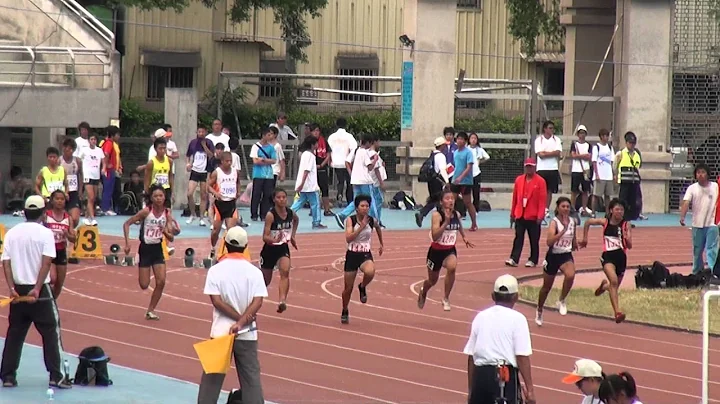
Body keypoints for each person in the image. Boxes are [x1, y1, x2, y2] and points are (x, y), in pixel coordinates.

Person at [1, 195, 72, 389]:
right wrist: (38, 288)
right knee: (51, 332)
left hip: (18, 289)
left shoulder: (12, 233)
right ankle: (56, 376)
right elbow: (46, 262)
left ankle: (8, 376)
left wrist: (12, 289)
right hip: (39, 291)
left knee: (14, 334)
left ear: (24, 212)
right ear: (43, 213)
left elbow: (5, 263)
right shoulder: (45, 233)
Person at [198, 227, 267, 404]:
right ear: (245, 246)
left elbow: (217, 302)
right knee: (251, 380)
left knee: (211, 379)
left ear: (226, 244)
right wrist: (243, 321)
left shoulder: (215, 271)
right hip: (247, 333)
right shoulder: (255, 272)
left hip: (221, 333)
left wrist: (237, 320)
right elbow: (257, 302)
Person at [463, 274, 535, 404]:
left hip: (481, 376)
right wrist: (530, 390)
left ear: (493, 296)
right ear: (516, 297)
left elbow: (471, 357)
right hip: (504, 376)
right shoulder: (518, 319)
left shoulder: (480, 317)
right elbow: (522, 356)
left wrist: (471, 390)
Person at [122, 185, 178, 321]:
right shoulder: (146, 212)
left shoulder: (167, 213)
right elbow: (127, 224)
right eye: (155, 196)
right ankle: (139, 262)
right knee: (144, 285)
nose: (159, 199)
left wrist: (165, 231)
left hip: (158, 249)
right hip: (145, 249)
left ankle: (151, 310)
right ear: (151, 199)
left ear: (165, 197)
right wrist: (127, 243)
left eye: (161, 196)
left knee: (161, 281)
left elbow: (171, 238)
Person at [418, 189, 474, 312]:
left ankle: (446, 298)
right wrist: (446, 222)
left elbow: (459, 225)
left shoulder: (457, 214)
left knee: (452, 267)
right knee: (432, 281)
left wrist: (464, 237)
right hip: (436, 252)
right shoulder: (437, 216)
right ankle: (423, 291)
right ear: (441, 202)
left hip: (449, 250)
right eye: (447, 199)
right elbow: (435, 236)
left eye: (452, 199)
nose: (450, 201)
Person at [579, 198, 631, 324]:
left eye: (622, 210)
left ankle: (604, 286)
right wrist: (585, 239)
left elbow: (629, 245)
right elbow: (587, 222)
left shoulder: (626, 224)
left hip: (621, 258)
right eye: (617, 209)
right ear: (611, 210)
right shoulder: (605, 222)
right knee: (613, 281)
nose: (619, 212)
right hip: (608, 256)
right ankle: (617, 312)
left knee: (614, 286)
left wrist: (626, 237)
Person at [341, 194, 384, 324]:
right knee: (348, 288)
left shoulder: (371, 220)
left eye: (367, 206)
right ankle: (345, 309)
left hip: (365, 253)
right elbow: (348, 238)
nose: (365, 208)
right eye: (362, 206)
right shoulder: (351, 220)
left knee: (370, 272)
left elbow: (377, 227)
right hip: (352, 254)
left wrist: (382, 243)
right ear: (357, 208)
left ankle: (362, 286)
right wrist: (361, 227)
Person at [535, 196, 577, 326]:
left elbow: (573, 238)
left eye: (567, 207)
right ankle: (540, 309)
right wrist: (562, 231)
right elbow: (549, 242)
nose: (565, 209)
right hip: (553, 255)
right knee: (546, 287)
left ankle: (561, 299)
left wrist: (576, 244)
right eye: (563, 206)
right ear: (558, 208)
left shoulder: (573, 222)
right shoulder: (554, 222)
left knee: (570, 275)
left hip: (566, 255)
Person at [260, 188, 298, 313]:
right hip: (269, 250)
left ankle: (282, 301)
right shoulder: (271, 215)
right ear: (274, 199)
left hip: (282, 248)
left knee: (285, 271)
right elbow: (264, 237)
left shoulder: (291, 213)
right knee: (265, 281)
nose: (282, 200)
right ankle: (251, 299)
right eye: (279, 197)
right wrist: (273, 240)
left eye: (284, 197)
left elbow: (296, 220)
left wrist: (292, 236)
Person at [506, 158, 547, 268]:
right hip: (520, 214)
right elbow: (515, 198)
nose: (529, 168)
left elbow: (542, 200)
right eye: (527, 166)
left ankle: (533, 259)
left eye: (531, 166)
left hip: (533, 216)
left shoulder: (540, 181)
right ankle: (514, 258)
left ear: (535, 167)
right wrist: (512, 213)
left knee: (534, 239)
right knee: (518, 237)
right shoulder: (519, 180)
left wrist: (540, 216)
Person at [333, 134, 379, 228]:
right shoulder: (364, 152)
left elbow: (347, 162)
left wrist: (352, 174)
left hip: (356, 180)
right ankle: (375, 221)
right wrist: (375, 160)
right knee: (370, 201)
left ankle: (342, 215)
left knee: (356, 201)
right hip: (365, 181)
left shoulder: (356, 150)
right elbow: (370, 167)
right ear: (367, 143)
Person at [679, 163, 718, 274]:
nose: (700, 175)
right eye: (698, 172)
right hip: (697, 224)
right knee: (697, 250)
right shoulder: (692, 188)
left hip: (712, 224)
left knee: (711, 250)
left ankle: (713, 272)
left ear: (708, 174)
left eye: (703, 172)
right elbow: (686, 202)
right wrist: (682, 216)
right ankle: (697, 272)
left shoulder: (715, 186)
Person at [207, 152, 241, 259]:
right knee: (215, 231)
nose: (229, 163)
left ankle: (227, 252)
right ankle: (213, 248)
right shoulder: (217, 173)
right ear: (222, 161)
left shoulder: (235, 172)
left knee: (230, 230)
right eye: (227, 161)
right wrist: (215, 193)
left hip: (231, 203)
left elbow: (238, 182)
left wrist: (238, 192)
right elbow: (208, 185)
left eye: (231, 161)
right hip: (220, 205)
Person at [289, 136, 327, 229]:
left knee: (299, 202)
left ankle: (287, 215)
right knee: (315, 204)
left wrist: (301, 184)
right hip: (310, 185)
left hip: (304, 185)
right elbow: (307, 170)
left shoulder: (304, 154)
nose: (318, 145)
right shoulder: (310, 156)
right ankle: (316, 222)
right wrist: (302, 183)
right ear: (312, 145)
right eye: (316, 143)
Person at [45, 190, 77, 299]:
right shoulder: (46, 215)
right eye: (57, 199)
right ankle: (45, 298)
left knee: (59, 283)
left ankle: (52, 302)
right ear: (52, 201)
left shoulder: (68, 218)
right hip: (48, 251)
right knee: (52, 278)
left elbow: (74, 239)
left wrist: (67, 234)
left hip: (61, 251)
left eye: (62, 199)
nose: (59, 201)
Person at [415, 137, 451, 227]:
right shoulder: (441, 156)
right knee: (438, 200)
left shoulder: (432, 155)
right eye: (445, 145)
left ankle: (424, 215)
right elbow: (442, 170)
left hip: (431, 181)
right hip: (437, 181)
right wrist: (447, 182)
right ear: (442, 146)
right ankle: (424, 214)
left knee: (435, 200)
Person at [185, 125, 214, 226]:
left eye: (202, 132)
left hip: (205, 171)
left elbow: (211, 155)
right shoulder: (193, 143)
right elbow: (188, 155)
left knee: (203, 195)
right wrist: (188, 164)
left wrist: (205, 146)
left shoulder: (209, 142)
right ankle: (193, 214)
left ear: (205, 132)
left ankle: (202, 217)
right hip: (194, 171)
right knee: (189, 194)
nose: (200, 133)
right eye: (199, 132)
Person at [534, 120, 562, 222]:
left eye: (553, 128)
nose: (551, 130)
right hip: (541, 169)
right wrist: (551, 153)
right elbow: (540, 155)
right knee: (540, 190)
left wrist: (546, 153)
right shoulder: (539, 140)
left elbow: (558, 152)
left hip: (553, 168)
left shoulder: (557, 140)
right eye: (550, 128)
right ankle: (539, 209)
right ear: (545, 129)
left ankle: (546, 209)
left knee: (550, 190)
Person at [451, 132, 478, 231]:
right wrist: (453, 178)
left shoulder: (468, 153)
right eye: (458, 139)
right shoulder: (455, 152)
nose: (459, 141)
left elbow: (468, 168)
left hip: (466, 182)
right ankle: (451, 223)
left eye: (462, 139)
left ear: (465, 141)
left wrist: (461, 177)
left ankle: (474, 223)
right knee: (451, 202)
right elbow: (455, 167)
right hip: (455, 181)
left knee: (468, 203)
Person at [249, 127, 278, 221]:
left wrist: (264, 160)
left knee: (267, 194)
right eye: (268, 135)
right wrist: (264, 161)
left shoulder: (271, 148)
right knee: (256, 194)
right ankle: (254, 214)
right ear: (264, 135)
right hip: (258, 174)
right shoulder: (255, 146)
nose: (270, 137)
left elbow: (274, 160)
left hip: (269, 174)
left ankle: (263, 214)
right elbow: (255, 160)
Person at [327, 117, 357, 205]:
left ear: (336, 125)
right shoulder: (349, 136)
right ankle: (350, 200)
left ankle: (339, 194)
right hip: (347, 162)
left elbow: (329, 148)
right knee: (349, 182)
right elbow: (353, 147)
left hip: (336, 162)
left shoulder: (332, 137)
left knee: (340, 181)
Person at [615, 131, 642, 222]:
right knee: (623, 201)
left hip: (634, 181)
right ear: (626, 143)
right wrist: (616, 176)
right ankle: (621, 219)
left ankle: (628, 220)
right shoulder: (621, 153)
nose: (632, 145)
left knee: (632, 202)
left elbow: (639, 166)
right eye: (630, 143)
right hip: (624, 181)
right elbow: (615, 165)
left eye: (633, 143)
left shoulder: (637, 154)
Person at [78, 133, 105, 226]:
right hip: (87, 175)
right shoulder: (84, 150)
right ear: (89, 140)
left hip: (96, 176)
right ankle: (92, 218)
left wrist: (103, 168)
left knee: (93, 199)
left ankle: (86, 217)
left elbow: (104, 161)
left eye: (94, 139)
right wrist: (81, 170)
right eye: (91, 139)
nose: (93, 141)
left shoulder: (99, 150)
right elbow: (78, 160)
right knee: (91, 197)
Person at [144, 137, 175, 208]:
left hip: (166, 188)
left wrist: (172, 192)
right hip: (154, 189)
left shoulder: (169, 161)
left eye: (164, 148)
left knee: (167, 211)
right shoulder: (151, 163)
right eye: (160, 148)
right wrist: (147, 193)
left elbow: (170, 176)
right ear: (155, 149)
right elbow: (147, 179)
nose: (163, 150)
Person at [591, 128, 615, 217]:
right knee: (596, 195)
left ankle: (607, 212)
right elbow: (594, 161)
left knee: (607, 195)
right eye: (605, 136)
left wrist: (613, 174)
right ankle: (593, 212)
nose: (606, 138)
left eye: (607, 136)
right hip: (600, 175)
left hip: (608, 175)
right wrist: (597, 174)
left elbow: (612, 161)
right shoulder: (596, 147)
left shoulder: (610, 147)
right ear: (601, 137)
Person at [569, 125, 593, 216]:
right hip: (576, 170)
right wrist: (584, 156)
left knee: (585, 190)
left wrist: (579, 156)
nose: (582, 135)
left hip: (586, 170)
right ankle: (572, 208)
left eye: (583, 133)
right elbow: (573, 155)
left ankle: (584, 208)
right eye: (580, 133)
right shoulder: (574, 144)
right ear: (578, 134)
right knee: (574, 190)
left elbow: (589, 157)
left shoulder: (588, 145)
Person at [60, 138, 83, 227]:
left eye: (71, 149)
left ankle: (70, 231)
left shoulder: (77, 161)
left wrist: (80, 190)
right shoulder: (59, 161)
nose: (68, 151)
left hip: (74, 192)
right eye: (67, 148)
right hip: (61, 193)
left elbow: (80, 175)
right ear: (63, 148)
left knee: (75, 218)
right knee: (62, 217)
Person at [100, 125, 121, 216]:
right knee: (107, 189)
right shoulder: (109, 143)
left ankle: (106, 207)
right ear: (113, 135)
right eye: (117, 135)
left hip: (110, 169)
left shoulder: (109, 143)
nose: (119, 137)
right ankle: (105, 208)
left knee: (109, 189)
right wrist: (106, 165)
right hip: (108, 170)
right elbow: (106, 153)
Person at [468, 133, 490, 212]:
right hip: (467, 174)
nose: (473, 140)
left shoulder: (479, 149)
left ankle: (475, 210)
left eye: (475, 138)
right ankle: (466, 209)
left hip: (476, 174)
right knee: (466, 193)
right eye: (472, 138)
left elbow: (487, 157)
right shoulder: (466, 149)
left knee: (476, 193)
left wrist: (480, 161)